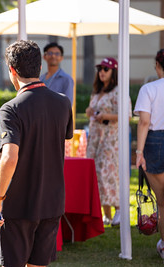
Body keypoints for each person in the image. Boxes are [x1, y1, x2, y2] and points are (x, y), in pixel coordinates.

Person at [0, 40, 73, 267]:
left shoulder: (11, 109)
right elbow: (45, 126)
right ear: (39, 67)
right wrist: (8, 118)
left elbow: (9, 157)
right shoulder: (64, 103)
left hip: (19, 204)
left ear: (12, 71)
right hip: (52, 201)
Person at [85, 57, 131, 226]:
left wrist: (105, 116)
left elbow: (126, 115)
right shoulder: (97, 91)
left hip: (110, 138)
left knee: (107, 172)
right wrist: (90, 111)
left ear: (114, 71)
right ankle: (107, 214)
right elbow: (93, 110)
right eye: (100, 69)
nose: (102, 72)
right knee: (96, 172)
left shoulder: (119, 90)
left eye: (106, 69)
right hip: (95, 137)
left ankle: (119, 209)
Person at [134, 49, 164, 260]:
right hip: (155, 141)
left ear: (157, 65)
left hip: (155, 141)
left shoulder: (149, 89)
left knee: (162, 202)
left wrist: (139, 152)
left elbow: (144, 122)